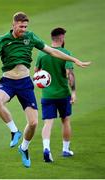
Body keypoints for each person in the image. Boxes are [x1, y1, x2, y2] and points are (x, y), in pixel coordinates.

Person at [0, 12, 90, 168]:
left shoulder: (30, 37)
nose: (23, 29)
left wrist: (74, 60)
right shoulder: (2, 41)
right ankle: (14, 131)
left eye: (25, 26)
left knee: (34, 123)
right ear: (13, 25)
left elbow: (52, 51)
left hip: (25, 83)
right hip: (8, 82)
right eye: (21, 26)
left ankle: (24, 147)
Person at [35, 27, 78, 163]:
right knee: (65, 121)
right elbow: (70, 74)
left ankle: (46, 148)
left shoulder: (42, 54)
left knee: (48, 123)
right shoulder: (65, 53)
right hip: (63, 94)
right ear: (61, 38)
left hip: (47, 95)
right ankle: (65, 150)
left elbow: (36, 73)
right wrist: (73, 92)